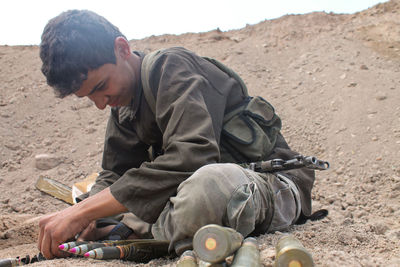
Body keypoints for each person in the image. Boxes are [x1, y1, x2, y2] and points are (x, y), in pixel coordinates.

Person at [38, 9, 316, 260]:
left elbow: (193, 156)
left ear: (122, 49)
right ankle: (143, 230)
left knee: (207, 188)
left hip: (270, 184)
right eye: (89, 97)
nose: (100, 103)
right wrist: (88, 212)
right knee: (96, 200)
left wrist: (86, 212)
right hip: (189, 193)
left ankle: (134, 231)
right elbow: (114, 173)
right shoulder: (122, 104)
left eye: (101, 86)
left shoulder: (170, 67)